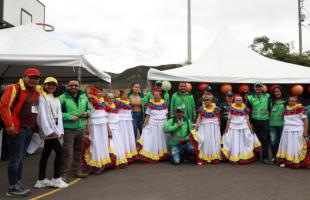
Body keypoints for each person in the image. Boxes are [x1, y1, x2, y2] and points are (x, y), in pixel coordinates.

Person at [0, 68, 41, 197]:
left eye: (36, 78)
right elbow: (4, 106)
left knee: (21, 158)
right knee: (15, 159)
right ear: (24, 77)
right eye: (30, 77)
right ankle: (12, 188)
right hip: (17, 129)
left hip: (28, 129)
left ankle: (17, 183)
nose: (33, 80)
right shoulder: (14, 88)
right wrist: (9, 124)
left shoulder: (36, 92)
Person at [34, 77, 68, 188]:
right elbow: (41, 115)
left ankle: (41, 179)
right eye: (49, 84)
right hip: (48, 129)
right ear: (44, 85)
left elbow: (59, 115)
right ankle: (56, 179)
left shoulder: (56, 98)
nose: (51, 86)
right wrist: (48, 131)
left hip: (55, 128)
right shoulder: (41, 97)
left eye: (53, 85)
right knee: (60, 152)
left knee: (46, 153)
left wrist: (60, 130)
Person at [59, 80, 92, 179]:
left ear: (79, 87)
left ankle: (77, 170)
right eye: (71, 85)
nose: (73, 87)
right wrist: (69, 117)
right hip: (69, 129)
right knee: (67, 152)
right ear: (68, 86)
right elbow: (58, 113)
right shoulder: (62, 98)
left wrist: (87, 113)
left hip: (81, 128)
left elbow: (89, 109)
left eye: (76, 85)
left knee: (78, 151)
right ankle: (63, 173)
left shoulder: (83, 97)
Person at [221, 95, 262, 164]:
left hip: (244, 128)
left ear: (242, 101)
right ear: (234, 100)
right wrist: (226, 129)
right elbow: (229, 120)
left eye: (240, 100)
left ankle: (243, 157)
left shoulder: (245, 108)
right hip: (233, 128)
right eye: (237, 100)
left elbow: (247, 120)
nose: (238, 101)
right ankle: (235, 157)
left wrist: (250, 129)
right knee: (235, 143)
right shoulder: (231, 108)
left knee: (244, 143)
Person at [83, 87, 112, 173]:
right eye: (99, 92)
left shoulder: (102, 101)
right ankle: (96, 164)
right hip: (94, 125)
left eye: (101, 92)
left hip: (103, 125)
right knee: (95, 143)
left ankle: (103, 163)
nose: (100, 93)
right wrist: (87, 127)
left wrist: (108, 129)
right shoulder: (90, 101)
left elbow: (105, 115)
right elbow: (89, 115)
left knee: (103, 143)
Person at [276, 96, 310, 168]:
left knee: (297, 147)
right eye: (290, 101)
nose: (291, 102)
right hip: (286, 131)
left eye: (293, 101)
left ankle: (296, 161)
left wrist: (305, 132)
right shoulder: (285, 110)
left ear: (296, 101)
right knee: (287, 146)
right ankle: (287, 161)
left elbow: (305, 121)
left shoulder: (301, 109)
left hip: (297, 131)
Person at [138, 90, 169, 163]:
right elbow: (148, 115)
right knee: (153, 140)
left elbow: (166, 115)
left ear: (160, 95)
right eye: (154, 95)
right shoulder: (150, 104)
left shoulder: (164, 103)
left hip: (162, 124)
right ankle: (153, 154)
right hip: (153, 124)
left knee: (162, 140)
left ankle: (161, 155)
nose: (155, 96)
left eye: (157, 95)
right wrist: (144, 124)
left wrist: (167, 124)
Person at [190, 95, 222, 165]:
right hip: (205, 127)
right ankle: (206, 157)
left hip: (214, 127)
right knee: (206, 141)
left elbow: (218, 118)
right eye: (205, 100)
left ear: (211, 101)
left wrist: (219, 126)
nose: (206, 101)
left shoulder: (216, 108)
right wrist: (196, 128)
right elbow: (199, 118)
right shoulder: (202, 109)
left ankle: (214, 157)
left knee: (214, 141)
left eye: (208, 100)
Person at [247, 82, 270, 164]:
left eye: (259, 87)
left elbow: (270, 107)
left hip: (265, 120)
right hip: (254, 121)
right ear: (254, 88)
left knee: (265, 139)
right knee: (255, 139)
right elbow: (248, 111)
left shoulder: (267, 96)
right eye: (256, 87)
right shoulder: (250, 97)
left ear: (262, 88)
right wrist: (250, 123)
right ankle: (257, 156)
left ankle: (265, 157)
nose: (258, 89)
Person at [105, 93, 128, 169]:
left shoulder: (115, 106)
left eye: (112, 98)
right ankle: (112, 161)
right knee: (112, 145)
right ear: (106, 99)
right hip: (110, 128)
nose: (111, 99)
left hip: (117, 128)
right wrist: (109, 130)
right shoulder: (105, 107)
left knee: (118, 144)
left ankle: (118, 161)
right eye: (109, 98)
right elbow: (106, 120)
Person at [116, 89, 138, 163]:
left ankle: (130, 154)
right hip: (121, 121)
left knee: (129, 136)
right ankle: (123, 153)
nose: (125, 96)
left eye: (126, 94)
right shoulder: (117, 102)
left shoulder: (128, 101)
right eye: (124, 95)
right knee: (123, 137)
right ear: (120, 95)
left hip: (128, 121)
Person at [269, 85, 286, 163]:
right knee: (273, 141)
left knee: (281, 141)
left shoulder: (286, 102)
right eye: (275, 92)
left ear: (281, 92)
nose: (277, 93)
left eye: (278, 91)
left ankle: (281, 157)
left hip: (282, 125)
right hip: (272, 124)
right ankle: (274, 156)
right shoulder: (271, 101)